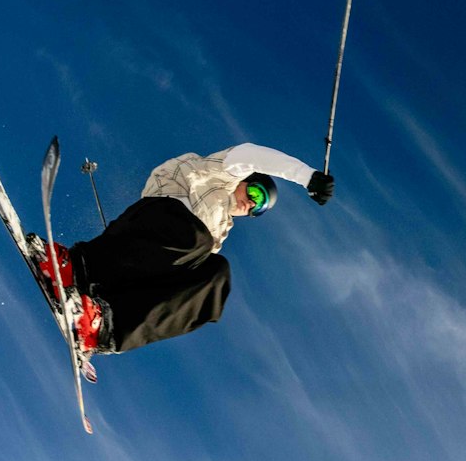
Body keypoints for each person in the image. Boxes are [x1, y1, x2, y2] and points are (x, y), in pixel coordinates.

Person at [34, 143, 334, 357]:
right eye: (255, 193)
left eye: (259, 208)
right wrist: (305, 176)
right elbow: (251, 154)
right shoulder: (220, 174)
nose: (251, 203)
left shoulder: (220, 232)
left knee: (216, 275)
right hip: (151, 222)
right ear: (245, 180)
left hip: (148, 267)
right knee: (195, 238)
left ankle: (103, 324)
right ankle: (78, 266)